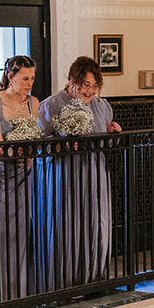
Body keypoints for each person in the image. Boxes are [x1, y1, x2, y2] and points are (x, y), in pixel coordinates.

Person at [36, 55, 121, 291]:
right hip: (65, 176)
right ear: (72, 80)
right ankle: (66, 282)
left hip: (94, 173)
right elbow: (39, 144)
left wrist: (112, 132)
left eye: (95, 86)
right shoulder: (52, 104)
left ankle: (95, 278)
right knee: (69, 225)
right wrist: (61, 145)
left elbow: (105, 141)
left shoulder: (102, 106)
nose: (90, 91)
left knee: (96, 222)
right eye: (86, 85)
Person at [0, 54, 41, 299]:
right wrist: (13, 152)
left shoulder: (34, 103)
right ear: (10, 77)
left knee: (24, 229)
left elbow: (37, 137)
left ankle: (21, 289)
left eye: (32, 78)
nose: (30, 83)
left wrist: (30, 152)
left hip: (25, 175)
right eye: (24, 78)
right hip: (0, 176)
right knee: (1, 231)